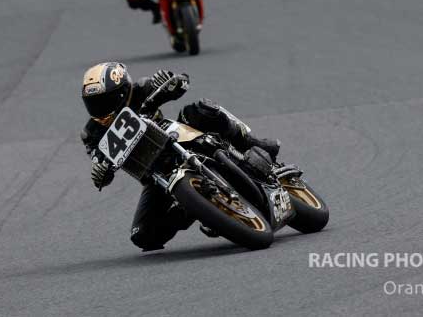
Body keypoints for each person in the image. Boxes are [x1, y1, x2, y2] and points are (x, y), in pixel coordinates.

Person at [80, 62, 279, 251]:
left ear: (122, 92)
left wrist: (170, 81)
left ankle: (253, 142)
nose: (99, 107)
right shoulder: (92, 134)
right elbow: (101, 166)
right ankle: (197, 209)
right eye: (93, 103)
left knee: (202, 109)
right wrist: (101, 174)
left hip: (178, 136)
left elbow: (182, 81)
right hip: (155, 175)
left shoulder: (140, 89)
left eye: (104, 100)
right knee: (142, 236)